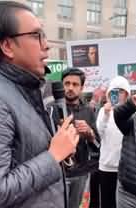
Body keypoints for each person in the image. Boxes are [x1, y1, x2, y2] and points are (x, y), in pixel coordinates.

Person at [0, 2, 79, 208]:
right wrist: (53, 156)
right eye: (36, 36)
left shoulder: (29, 88)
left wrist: (61, 149)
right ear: (7, 46)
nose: (46, 45)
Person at [61, 68, 100, 208]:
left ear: (81, 87)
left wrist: (90, 134)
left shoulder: (88, 112)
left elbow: (98, 145)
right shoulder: (51, 109)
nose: (70, 88)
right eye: (67, 83)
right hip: (57, 173)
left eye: (75, 84)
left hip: (80, 172)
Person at [92, 76, 131, 208]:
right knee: (107, 202)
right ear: (109, 94)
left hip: (126, 168)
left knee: (123, 203)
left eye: (121, 91)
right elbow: (99, 133)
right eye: (114, 91)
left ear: (127, 94)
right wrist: (106, 114)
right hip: (106, 166)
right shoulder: (104, 111)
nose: (118, 95)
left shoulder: (134, 113)